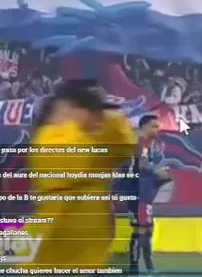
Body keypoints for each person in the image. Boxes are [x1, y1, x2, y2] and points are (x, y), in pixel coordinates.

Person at [25, 79, 137, 270]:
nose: (96, 118)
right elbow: (69, 162)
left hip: (90, 254)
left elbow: (126, 146)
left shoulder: (92, 136)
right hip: (51, 252)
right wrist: (78, 123)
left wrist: (109, 117)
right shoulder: (50, 138)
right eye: (90, 109)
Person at [129, 114, 170, 274]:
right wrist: (157, 172)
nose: (157, 129)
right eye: (154, 126)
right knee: (140, 229)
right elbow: (143, 165)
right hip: (138, 192)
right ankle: (134, 269)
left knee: (148, 229)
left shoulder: (146, 143)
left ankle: (149, 268)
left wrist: (159, 179)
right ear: (145, 126)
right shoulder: (142, 142)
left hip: (144, 192)